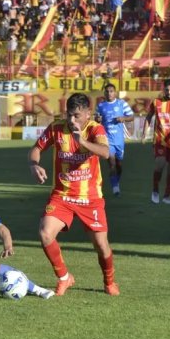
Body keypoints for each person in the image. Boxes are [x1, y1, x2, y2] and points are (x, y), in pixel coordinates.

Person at [28, 93, 120, 297]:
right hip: (62, 195)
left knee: (101, 245)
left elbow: (105, 153)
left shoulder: (95, 128)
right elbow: (36, 149)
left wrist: (82, 141)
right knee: (45, 233)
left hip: (91, 199)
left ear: (88, 113)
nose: (72, 120)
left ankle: (109, 281)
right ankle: (64, 278)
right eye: (69, 115)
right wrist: (34, 165)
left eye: (77, 115)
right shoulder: (56, 128)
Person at [143, 79, 170, 204]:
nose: (169, 92)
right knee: (160, 164)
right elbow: (148, 117)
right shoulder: (156, 102)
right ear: (164, 90)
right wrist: (144, 133)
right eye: (167, 89)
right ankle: (155, 190)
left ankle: (167, 196)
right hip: (159, 140)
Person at [95, 84, 135, 196]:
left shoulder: (121, 104)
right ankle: (115, 187)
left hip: (119, 140)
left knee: (119, 165)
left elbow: (131, 116)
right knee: (111, 163)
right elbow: (96, 119)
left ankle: (116, 181)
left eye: (111, 91)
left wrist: (124, 118)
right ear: (104, 93)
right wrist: (97, 119)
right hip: (107, 139)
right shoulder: (100, 106)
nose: (109, 93)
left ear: (115, 92)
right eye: (107, 91)